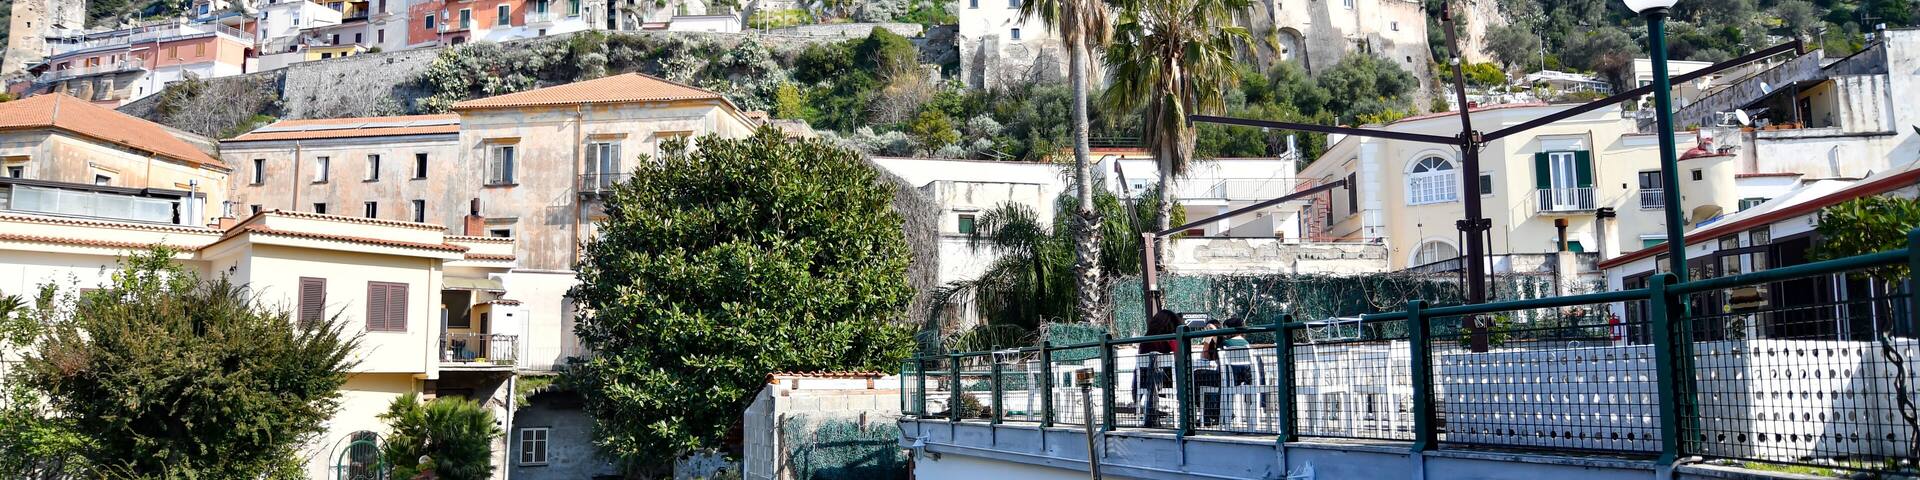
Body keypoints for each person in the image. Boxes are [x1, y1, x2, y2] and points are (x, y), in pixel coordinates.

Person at [1137, 310, 1179, 427]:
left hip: (1144, 380)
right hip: (1167, 381)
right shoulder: (1171, 340)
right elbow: (1178, 359)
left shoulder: (1145, 339)